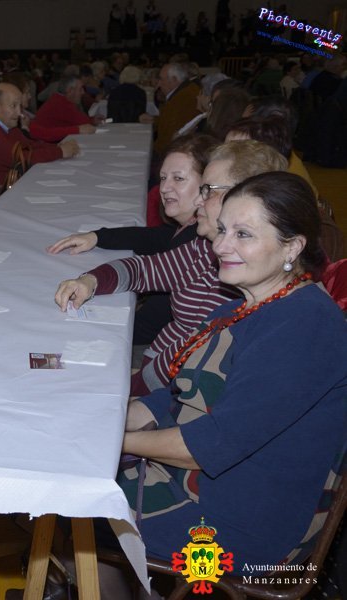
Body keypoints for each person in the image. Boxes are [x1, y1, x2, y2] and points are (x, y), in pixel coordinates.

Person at [119, 172, 346, 582]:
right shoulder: (240, 307)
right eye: (222, 230)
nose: (221, 246)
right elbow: (173, 397)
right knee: (68, 481)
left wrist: (108, 441)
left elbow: (207, 447)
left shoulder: (306, 326)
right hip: (198, 483)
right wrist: (112, 417)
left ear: (292, 246)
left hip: (241, 528)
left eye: (243, 234)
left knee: (77, 508)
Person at [53, 140, 287, 395]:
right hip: (152, 367)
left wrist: (123, 386)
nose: (199, 200)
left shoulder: (243, 278)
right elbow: (145, 269)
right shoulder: (204, 246)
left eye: (208, 191)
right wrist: (90, 281)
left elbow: (186, 364)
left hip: (163, 385)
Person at [49, 134, 218, 345]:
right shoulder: (189, 230)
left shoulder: (198, 241)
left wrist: (95, 331)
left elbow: (149, 324)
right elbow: (150, 238)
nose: (164, 188)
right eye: (163, 177)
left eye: (178, 178)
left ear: (208, 185)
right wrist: (97, 237)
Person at [0, 83, 79, 187]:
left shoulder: (2, 120)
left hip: (10, 181)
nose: (19, 113)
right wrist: (60, 152)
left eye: (20, 106)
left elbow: (28, 145)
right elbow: (19, 160)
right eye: (13, 106)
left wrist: (58, 147)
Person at [141, 61, 200, 156]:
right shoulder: (186, 91)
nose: (159, 84)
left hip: (171, 153)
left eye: (161, 79)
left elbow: (169, 137)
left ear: (174, 80)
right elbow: (170, 121)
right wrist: (154, 120)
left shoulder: (183, 98)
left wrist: (152, 153)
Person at [30, 75, 97, 143]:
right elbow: (86, 124)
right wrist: (92, 121)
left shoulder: (57, 99)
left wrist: (92, 120)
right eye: (80, 89)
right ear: (70, 91)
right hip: (45, 144)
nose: (83, 92)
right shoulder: (62, 104)